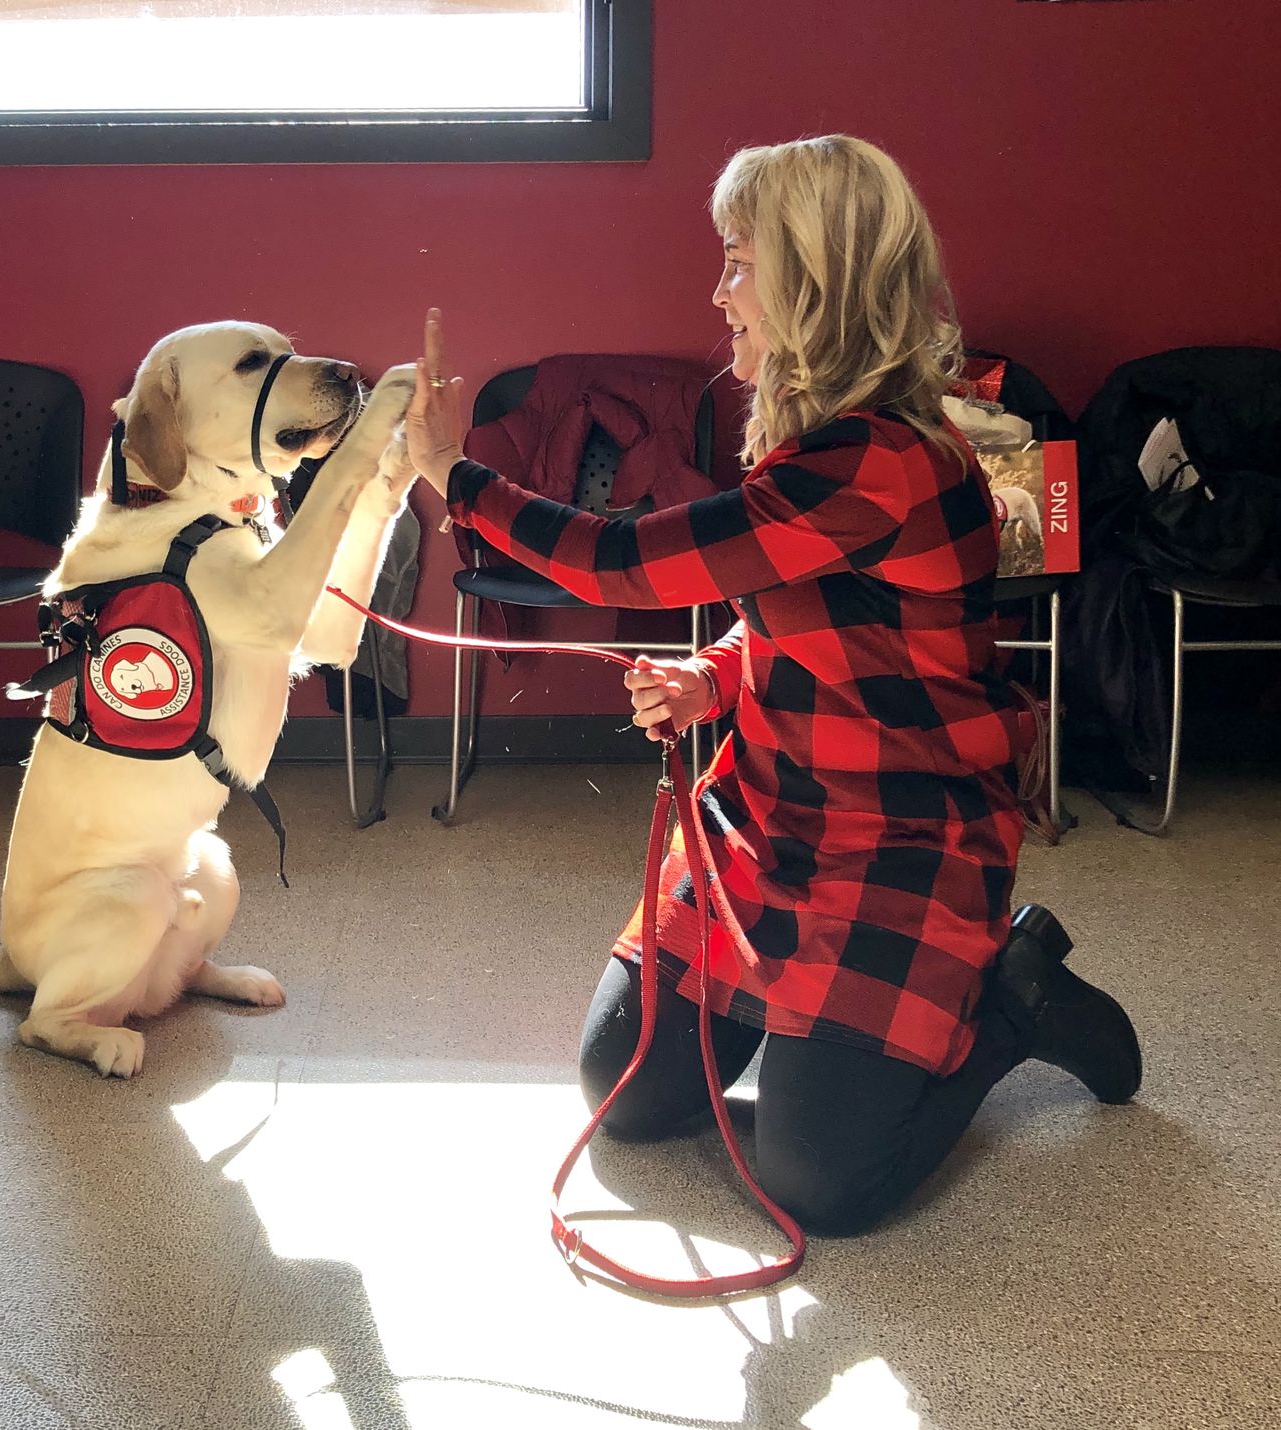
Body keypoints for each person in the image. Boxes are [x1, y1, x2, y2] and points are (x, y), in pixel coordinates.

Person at [403, 135, 1141, 1237]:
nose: (718, 292)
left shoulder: (881, 458)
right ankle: (835, 1035)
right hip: (767, 816)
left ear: (817, 281)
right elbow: (811, 623)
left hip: (900, 839)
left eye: (739, 262)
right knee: (627, 1093)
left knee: (822, 1182)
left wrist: (453, 476)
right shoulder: (816, 441)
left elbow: (624, 560)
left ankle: (1013, 993)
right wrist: (711, 675)